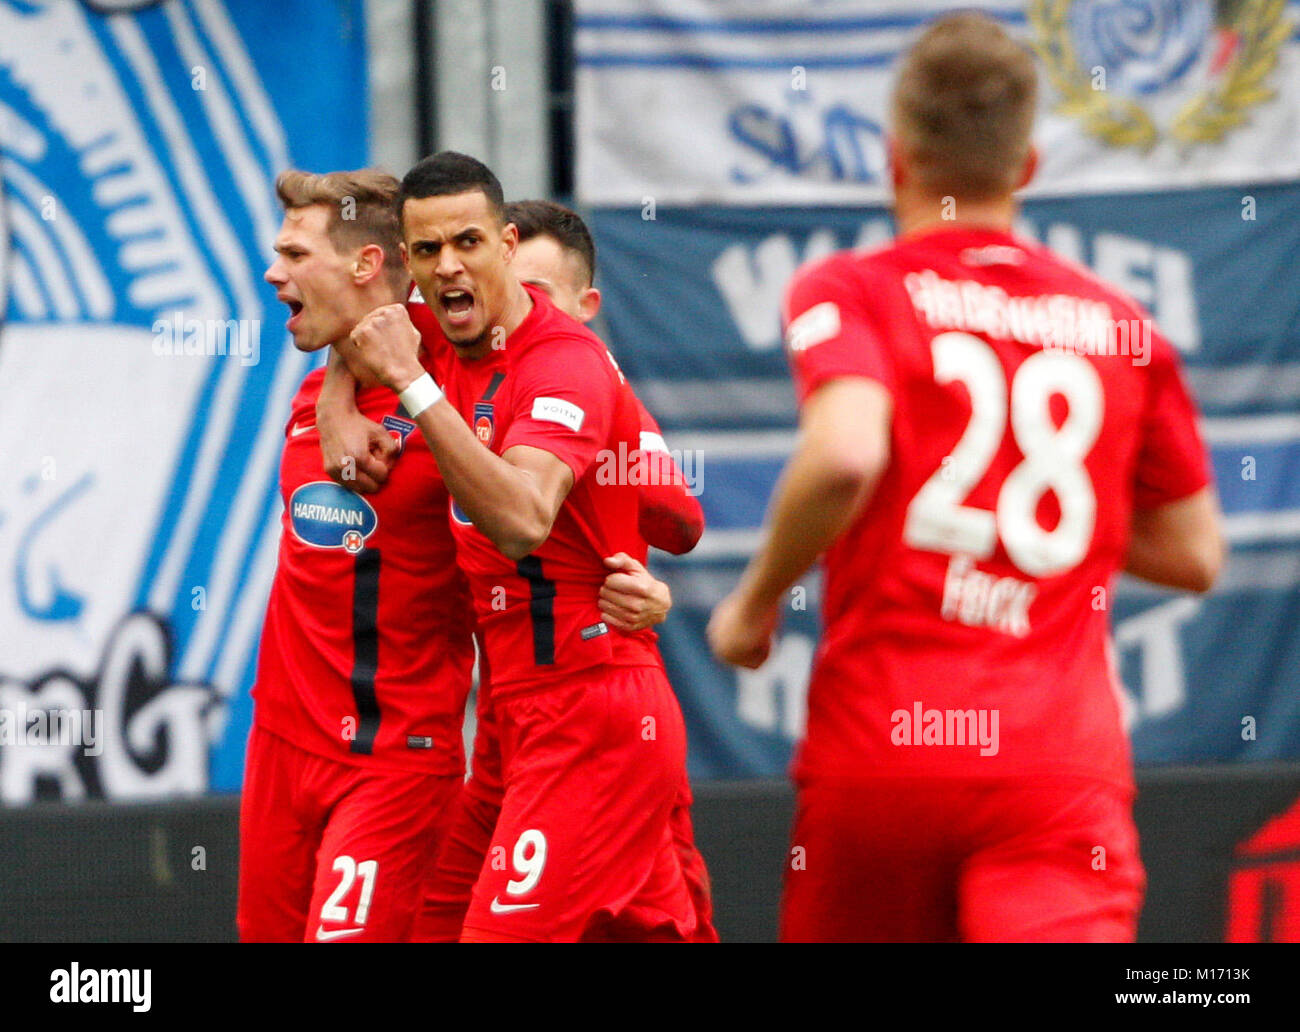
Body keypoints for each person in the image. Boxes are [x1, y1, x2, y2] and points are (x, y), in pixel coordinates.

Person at [707, 11, 1224, 943]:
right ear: (1026, 166)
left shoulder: (855, 291)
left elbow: (846, 453)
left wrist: (754, 605)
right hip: (1053, 768)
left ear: (895, 156)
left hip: (883, 754)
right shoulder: (1119, 325)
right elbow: (1194, 554)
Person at [342, 151, 709, 942]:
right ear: (409, 263)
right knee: (439, 921)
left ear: (505, 245)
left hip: (589, 707)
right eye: (430, 252)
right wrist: (343, 407)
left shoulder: (564, 362)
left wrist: (412, 390)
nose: (450, 267)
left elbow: (523, 519)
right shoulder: (436, 333)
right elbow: (355, 324)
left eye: (468, 243)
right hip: (516, 717)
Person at [239, 169, 474, 943]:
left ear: (367, 264)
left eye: (295, 254)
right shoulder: (315, 391)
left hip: (392, 759)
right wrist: (340, 386)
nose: (273, 272)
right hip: (280, 747)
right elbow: (368, 334)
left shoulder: (461, 378)